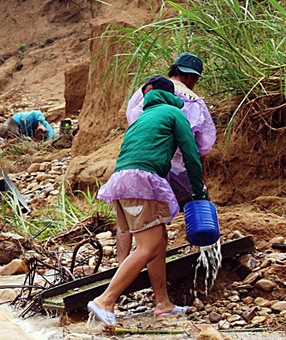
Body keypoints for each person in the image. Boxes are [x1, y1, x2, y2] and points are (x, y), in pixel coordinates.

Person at [88, 76, 208, 325]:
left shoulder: (141, 118)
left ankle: (163, 303)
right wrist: (199, 192)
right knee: (148, 246)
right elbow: (191, 155)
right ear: (171, 94)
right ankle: (105, 300)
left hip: (121, 182)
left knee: (159, 240)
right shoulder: (174, 114)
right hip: (143, 182)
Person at [117, 52, 216, 262]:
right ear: (192, 77)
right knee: (192, 205)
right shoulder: (194, 101)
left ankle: (121, 262)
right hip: (178, 167)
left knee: (129, 217)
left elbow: (133, 118)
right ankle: (203, 253)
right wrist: (200, 185)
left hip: (143, 161)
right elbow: (203, 145)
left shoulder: (147, 90)